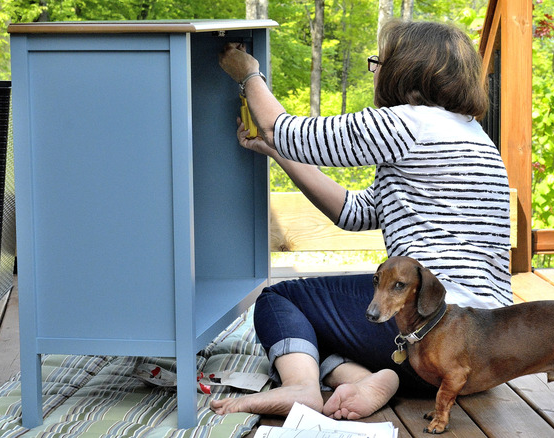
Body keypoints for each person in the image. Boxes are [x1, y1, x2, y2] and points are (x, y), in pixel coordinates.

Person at [212, 19, 512, 420]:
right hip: (480, 356)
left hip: (434, 327)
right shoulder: (473, 137)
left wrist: (248, 74)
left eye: (379, 63)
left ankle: (301, 387)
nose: (377, 72)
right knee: (319, 322)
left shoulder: (409, 122)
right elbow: (354, 212)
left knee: (280, 299)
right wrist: (277, 152)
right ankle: (365, 378)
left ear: (406, 69)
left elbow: (284, 128)